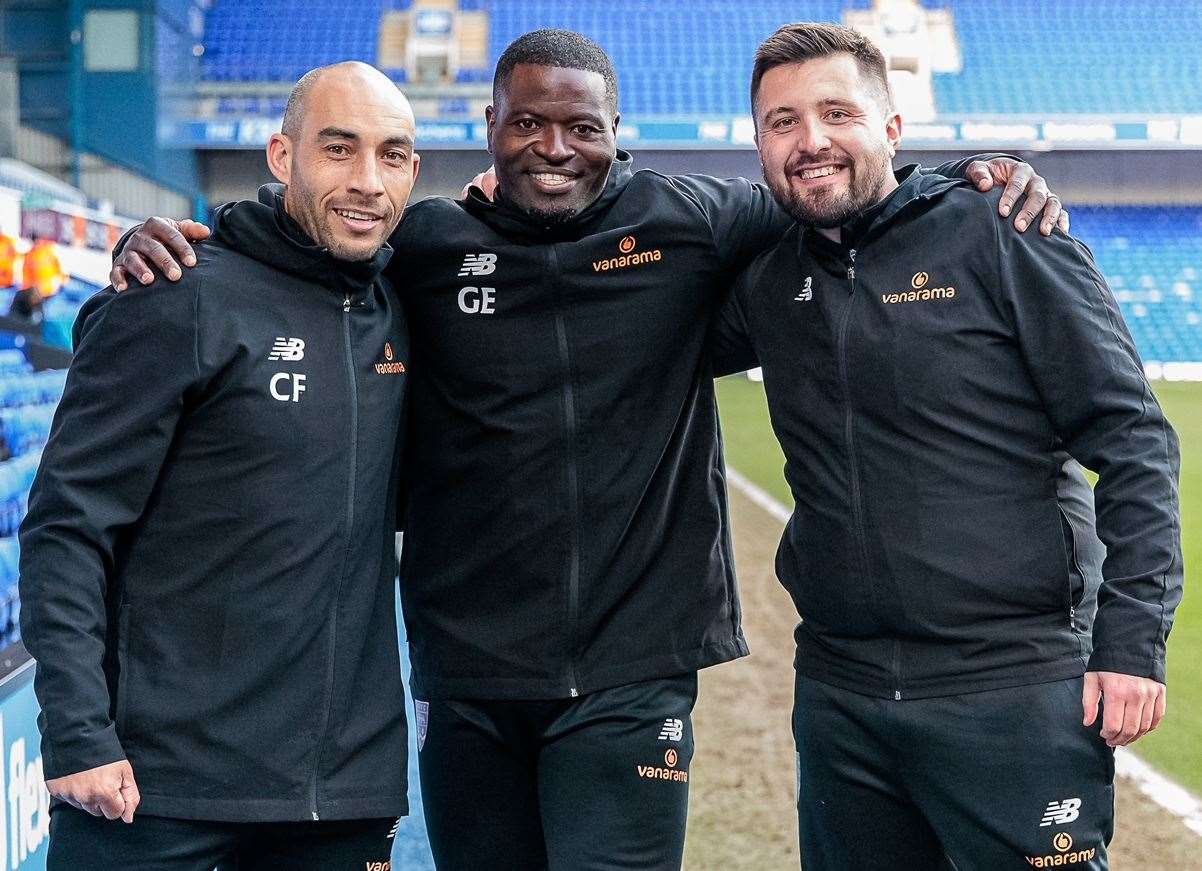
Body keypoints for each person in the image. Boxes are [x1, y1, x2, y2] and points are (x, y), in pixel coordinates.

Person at [111, 31, 1066, 871]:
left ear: (617, 131)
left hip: (632, 664)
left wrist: (970, 177)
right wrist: (178, 240)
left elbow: (839, 186)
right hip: (468, 671)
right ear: (489, 128)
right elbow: (306, 250)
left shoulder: (687, 219)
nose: (554, 148)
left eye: (580, 127)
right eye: (527, 124)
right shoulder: (428, 246)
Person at [712, 23, 1183, 870]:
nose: (810, 140)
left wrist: (1131, 645)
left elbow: (1135, 439)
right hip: (842, 695)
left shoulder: (1000, 228)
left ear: (891, 127)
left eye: (835, 112)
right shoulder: (767, 279)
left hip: (1014, 687)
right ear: (759, 144)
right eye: (782, 122)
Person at [19, 61, 420, 870]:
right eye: (338, 148)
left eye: (392, 154)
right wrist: (75, 730)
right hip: (156, 789)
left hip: (340, 793)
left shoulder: (407, 305)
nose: (367, 181)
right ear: (282, 155)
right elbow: (67, 526)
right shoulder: (174, 293)